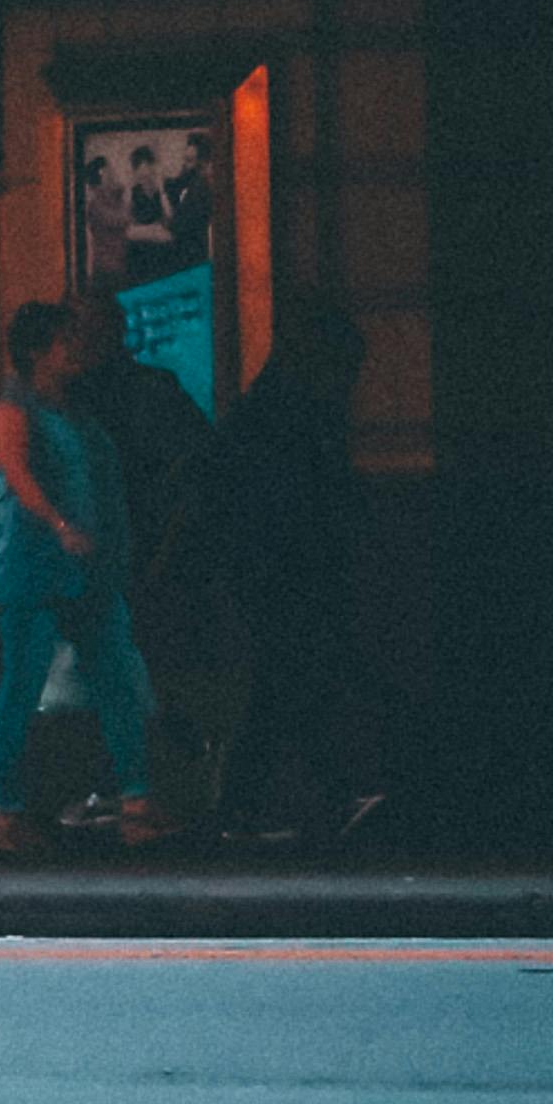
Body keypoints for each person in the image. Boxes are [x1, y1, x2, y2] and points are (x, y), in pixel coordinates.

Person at [209, 291, 384, 854]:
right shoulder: (301, 418)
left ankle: (298, 798)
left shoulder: (262, 411)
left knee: (285, 682)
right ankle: (303, 797)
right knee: (289, 682)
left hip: (262, 566)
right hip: (291, 566)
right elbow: (309, 499)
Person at [0, 296, 162, 854]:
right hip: (37, 570)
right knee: (23, 685)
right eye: (66, 341)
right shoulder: (15, 409)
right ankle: (7, 809)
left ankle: (137, 800)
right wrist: (60, 524)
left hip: (87, 569)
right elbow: (17, 472)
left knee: (116, 679)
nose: (77, 349)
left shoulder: (74, 412)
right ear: (40, 351)